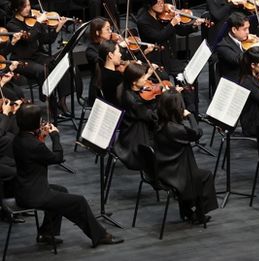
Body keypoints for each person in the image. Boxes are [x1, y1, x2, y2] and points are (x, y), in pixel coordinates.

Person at [12, 104, 123, 247]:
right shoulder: (34, 145)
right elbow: (57, 158)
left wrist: (41, 137)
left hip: (23, 190)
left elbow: (35, 156)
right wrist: (55, 136)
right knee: (79, 201)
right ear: (35, 123)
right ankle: (100, 236)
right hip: (34, 195)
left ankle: (47, 233)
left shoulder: (18, 139)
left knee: (61, 191)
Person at [154, 91, 218, 224]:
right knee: (206, 176)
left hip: (163, 168)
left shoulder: (159, 122)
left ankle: (187, 212)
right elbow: (197, 133)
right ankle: (199, 214)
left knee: (197, 172)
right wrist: (190, 116)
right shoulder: (175, 129)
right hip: (175, 173)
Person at [135, 0, 204, 75]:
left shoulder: (165, 15)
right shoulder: (143, 21)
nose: (162, 5)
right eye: (158, 2)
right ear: (150, 4)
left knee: (190, 73)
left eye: (162, 1)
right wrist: (172, 23)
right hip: (156, 61)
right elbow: (158, 37)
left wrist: (193, 26)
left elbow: (179, 30)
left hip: (170, 56)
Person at [115, 62, 158, 170]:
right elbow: (152, 116)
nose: (146, 79)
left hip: (128, 129)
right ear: (134, 82)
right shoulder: (133, 101)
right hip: (135, 139)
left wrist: (147, 74)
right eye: (143, 77)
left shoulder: (124, 87)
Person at [215, 11, 259, 82]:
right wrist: (256, 46)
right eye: (244, 29)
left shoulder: (243, 40)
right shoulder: (222, 46)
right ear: (234, 30)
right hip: (237, 82)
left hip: (250, 78)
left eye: (248, 28)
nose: (248, 32)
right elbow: (238, 59)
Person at [94, 40, 124, 106]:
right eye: (118, 52)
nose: (120, 54)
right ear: (110, 55)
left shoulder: (100, 71)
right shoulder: (116, 77)